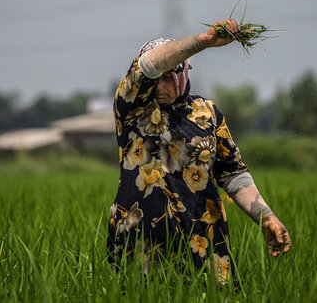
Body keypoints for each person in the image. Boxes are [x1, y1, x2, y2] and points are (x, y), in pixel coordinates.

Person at [107, 19, 291, 283]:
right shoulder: (131, 109)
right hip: (141, 246)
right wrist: (205, 40)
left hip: (203, 242)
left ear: (184, 74)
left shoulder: (207, 114)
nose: (161, 85)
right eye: (157, 78)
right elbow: (147, 66)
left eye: (170, 76)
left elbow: (232, 173)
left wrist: (266, 217)